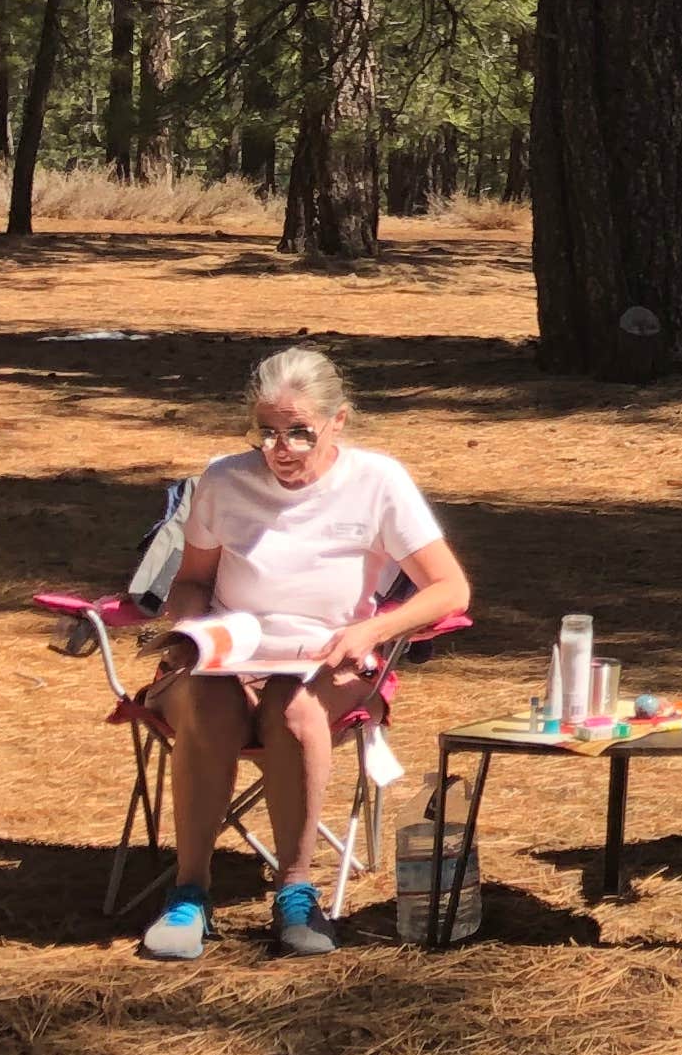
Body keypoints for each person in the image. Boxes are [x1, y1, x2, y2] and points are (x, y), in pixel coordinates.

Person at [142, 346, 470, 961]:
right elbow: (190, 580)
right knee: (212, 697)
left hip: (330, 661)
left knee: (292, 706)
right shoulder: (224, 479)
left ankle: (295, 890)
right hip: (228, 655)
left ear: (337, 422)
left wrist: (371, 632)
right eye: (266, 433)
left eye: (299, 433)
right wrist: (189, 628)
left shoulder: (377, 482)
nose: (280, 450)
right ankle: (189, 891)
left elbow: (450, 588)